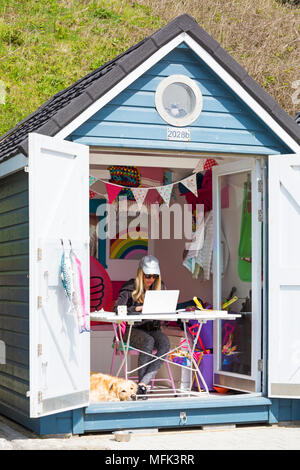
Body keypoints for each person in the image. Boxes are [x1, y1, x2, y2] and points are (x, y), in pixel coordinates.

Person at [113, 255, 170, 399]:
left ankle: (142, 385)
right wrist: (140, 308)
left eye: (154, 276)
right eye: (147, 276)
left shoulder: (160, 287)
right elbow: (118, 309)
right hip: (132, 330)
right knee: (148, 341)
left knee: (165, 343)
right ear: (140, 274)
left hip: (152, 328)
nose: (151, 279)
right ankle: (141, 386)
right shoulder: (129, 287)